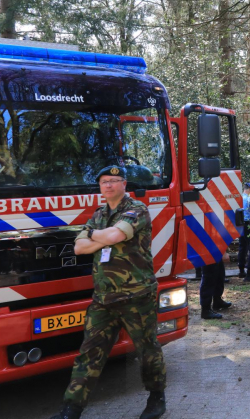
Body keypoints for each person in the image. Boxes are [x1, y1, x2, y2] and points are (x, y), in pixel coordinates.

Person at [49, 166, 167, 419]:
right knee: (89, 352)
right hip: (103, 298)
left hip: (136, 295)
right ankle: (71, 408)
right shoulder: (99, 214)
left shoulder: (137, 209)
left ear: (124, 184)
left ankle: (156, 397)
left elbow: (113, 235)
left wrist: (94, 235)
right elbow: (79, 248)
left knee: (147, 350)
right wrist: (102, 237)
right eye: (104, 182)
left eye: (114, 181)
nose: (109, 185)